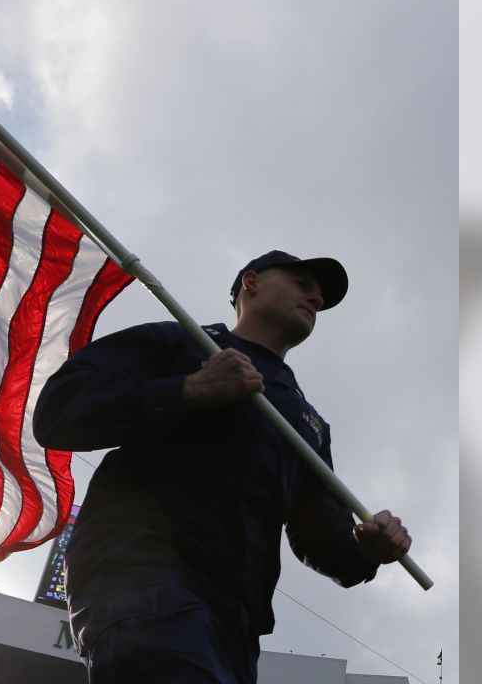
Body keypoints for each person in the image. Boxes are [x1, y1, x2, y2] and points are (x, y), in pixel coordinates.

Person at [34, 250, 413, 684]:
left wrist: (367, 550)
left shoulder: (309, 425)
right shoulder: (176, 343)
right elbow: (58, 412)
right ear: (250, 283)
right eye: (301, 284)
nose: (316, 299)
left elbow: (322, 538)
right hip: (140, 573)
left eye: (320, 297)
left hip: (236, 625)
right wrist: (188, 389)